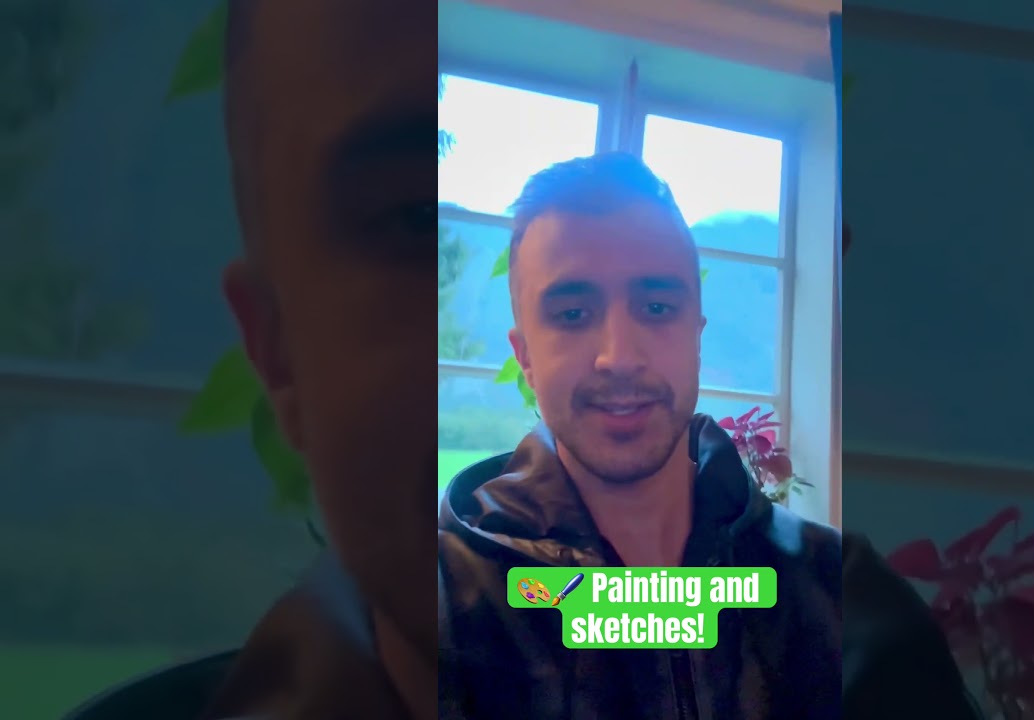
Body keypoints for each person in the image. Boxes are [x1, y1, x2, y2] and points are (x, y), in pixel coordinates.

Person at [186, 1, 977, 719]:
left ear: (697, 332)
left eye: (657, 307)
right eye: (571, 313)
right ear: (523, 357)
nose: (617, 356)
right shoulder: (431, 600)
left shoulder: (846, 606)